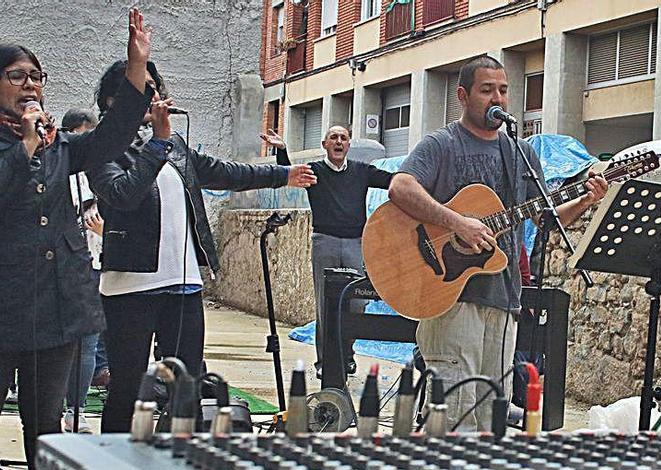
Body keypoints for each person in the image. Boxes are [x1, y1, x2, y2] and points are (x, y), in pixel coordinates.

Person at [87, 60, 316, 434]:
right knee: (127, 386)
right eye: (139, 89)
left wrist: (282, 173)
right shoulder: (104, 147)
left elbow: (224, 171)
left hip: (183, 283)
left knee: (187, 384)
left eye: (153, 88)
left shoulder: (174, 145)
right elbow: (123, 195)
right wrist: (158, 142)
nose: (151, 96)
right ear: (114, 99)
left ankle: (177, 465)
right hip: (130, 285)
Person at [387, 55, 607, 432]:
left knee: (492, 413)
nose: (498, 99)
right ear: (463, 95)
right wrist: (457, 222)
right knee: (453, 413)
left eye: (503, 90)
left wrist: (587, 199)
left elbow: (546, 218)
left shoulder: (520, 153)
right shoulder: (443, 144)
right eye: (487, 90)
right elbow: (400, 187)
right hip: (450, 295)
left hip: (504, 297)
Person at [0, 9, 154, 470]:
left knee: (46, 423)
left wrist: (136, 69)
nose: (30, 86)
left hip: (57, 304)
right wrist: (24, 146)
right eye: (17, 77)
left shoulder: (61, 146)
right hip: (4, 304)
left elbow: (112, 135)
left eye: (36, 77)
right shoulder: (26, 144)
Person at [262, 125, 393, 377]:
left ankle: (347, 355)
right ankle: (325, 362)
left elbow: (392, 180)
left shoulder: (361, 171)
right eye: (333, 137)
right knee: (326, 304)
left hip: (356, 243)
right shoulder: (315, 171)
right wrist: (282, 151)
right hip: (326, 242)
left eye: (343, 138)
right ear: (324, 144)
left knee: (357, 302)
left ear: (349, 145)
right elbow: (288, 173)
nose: (339, 141)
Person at [60, 108, 102, 433]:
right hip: (61, 266)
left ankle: (77, 409)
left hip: (96, 263)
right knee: (59, 343)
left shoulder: (104, 171)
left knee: (88, 343)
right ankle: (55, 406)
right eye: (78, 135)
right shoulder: (56, 170)